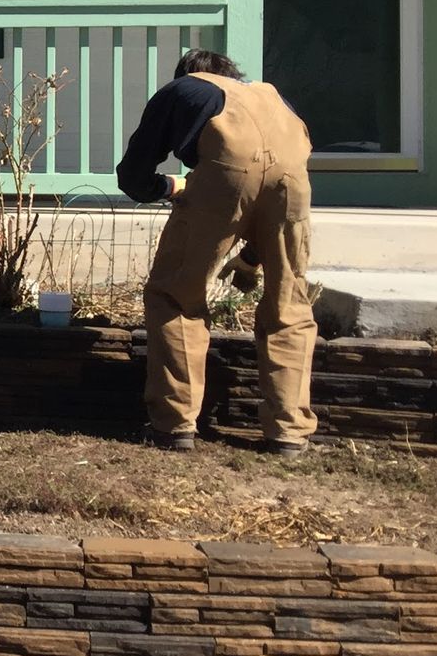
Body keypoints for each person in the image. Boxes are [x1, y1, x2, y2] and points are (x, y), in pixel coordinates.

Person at [115, 49, 316, 456]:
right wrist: (252, 257)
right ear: (231, 75)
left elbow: (133, 177)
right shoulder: (272, 96)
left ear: (188, 75)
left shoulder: (182, 90)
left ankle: (175, 427)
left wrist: (170, 188)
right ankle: (289, 433)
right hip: (294, 178)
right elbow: (274, 181)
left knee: (176, 296)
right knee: (289, 304)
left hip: (225, 172)